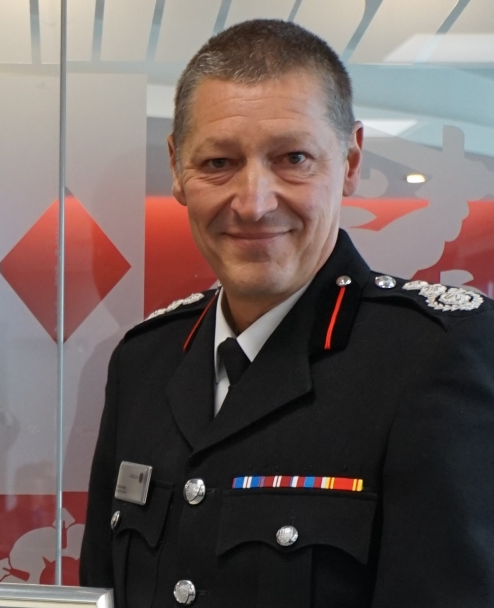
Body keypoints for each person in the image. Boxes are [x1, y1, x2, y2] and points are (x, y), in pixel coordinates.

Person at [80, 19, 494, 608]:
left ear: (350, 161)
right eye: (219, 162)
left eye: (293, 158)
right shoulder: (144, 361)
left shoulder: (434, 354)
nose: (253, 203)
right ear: (177, 168)